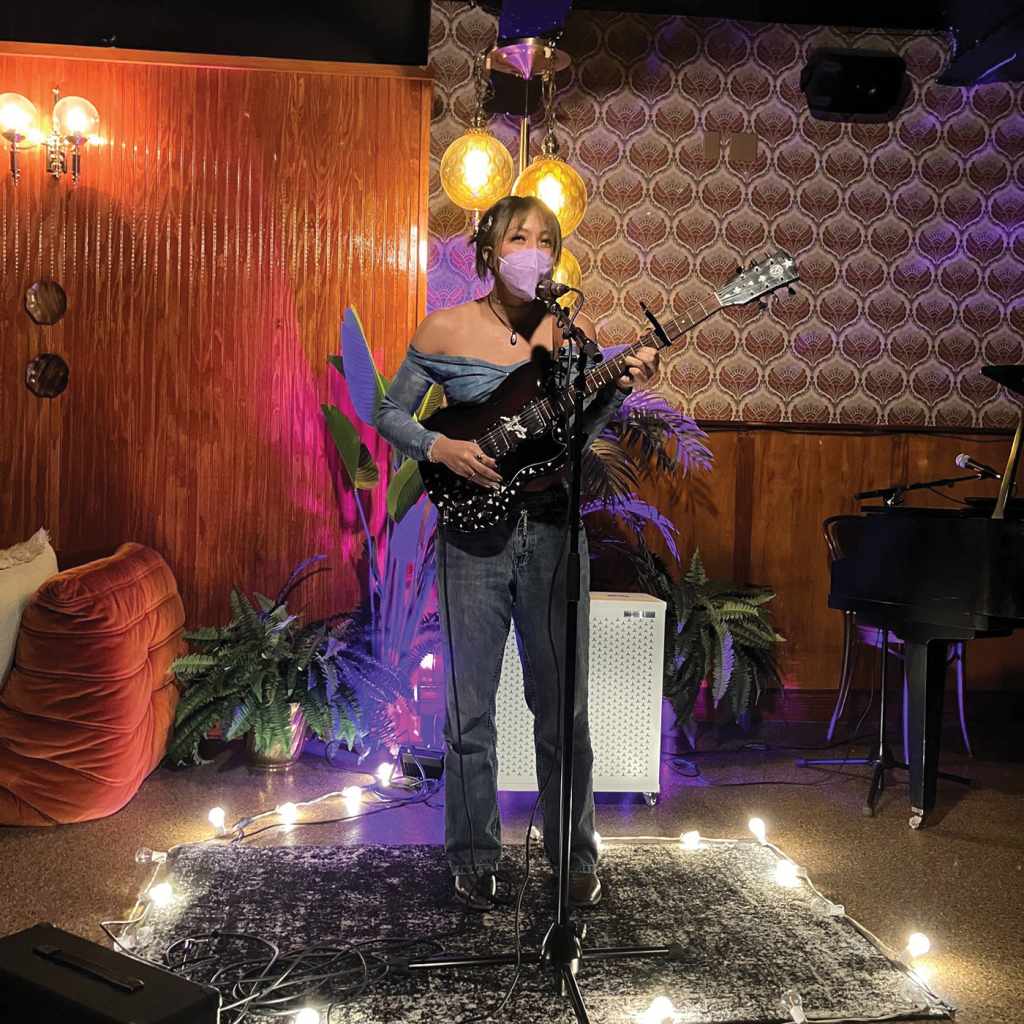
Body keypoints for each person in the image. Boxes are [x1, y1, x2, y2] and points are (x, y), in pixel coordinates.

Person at [374, 195, 659, 910]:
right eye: (519, 236)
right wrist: (441, 446)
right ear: (488, 249)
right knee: (470, 711)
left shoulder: (571, 334)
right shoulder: (445, 327)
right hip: (473, 538)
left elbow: (579, 429)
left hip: (556, 531)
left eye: (546, 239)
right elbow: (386, 412)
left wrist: (618, 388)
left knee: (563, 708)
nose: (533, 248)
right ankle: (473, 856)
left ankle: (573, 856)